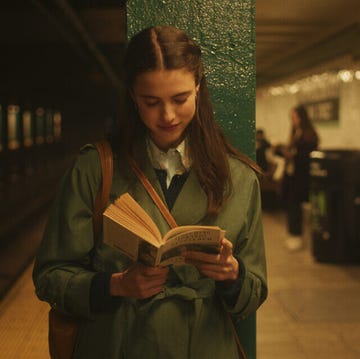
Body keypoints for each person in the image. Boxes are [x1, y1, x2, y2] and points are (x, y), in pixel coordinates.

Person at [33, 26, 267, 359]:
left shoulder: (240, 178)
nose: (168, 115)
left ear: (198, 88)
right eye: (151, 102)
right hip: (118, 343)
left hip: (204, 345)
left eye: (180, 99)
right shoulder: (96, 168)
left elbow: (255, 291)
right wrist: (115, 285)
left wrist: (232, 275)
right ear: (132, 96)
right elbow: (50, 276)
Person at [280, 105, 319, 251]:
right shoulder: (296, 132)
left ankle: (297, 236)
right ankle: (293, 234)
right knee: (292, 205)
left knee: (296, 205)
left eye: (295, 117)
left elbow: (307, 155)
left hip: (302, 177)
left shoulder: (309, 134)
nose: (293, 120)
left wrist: (293, 155)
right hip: (292, 175)